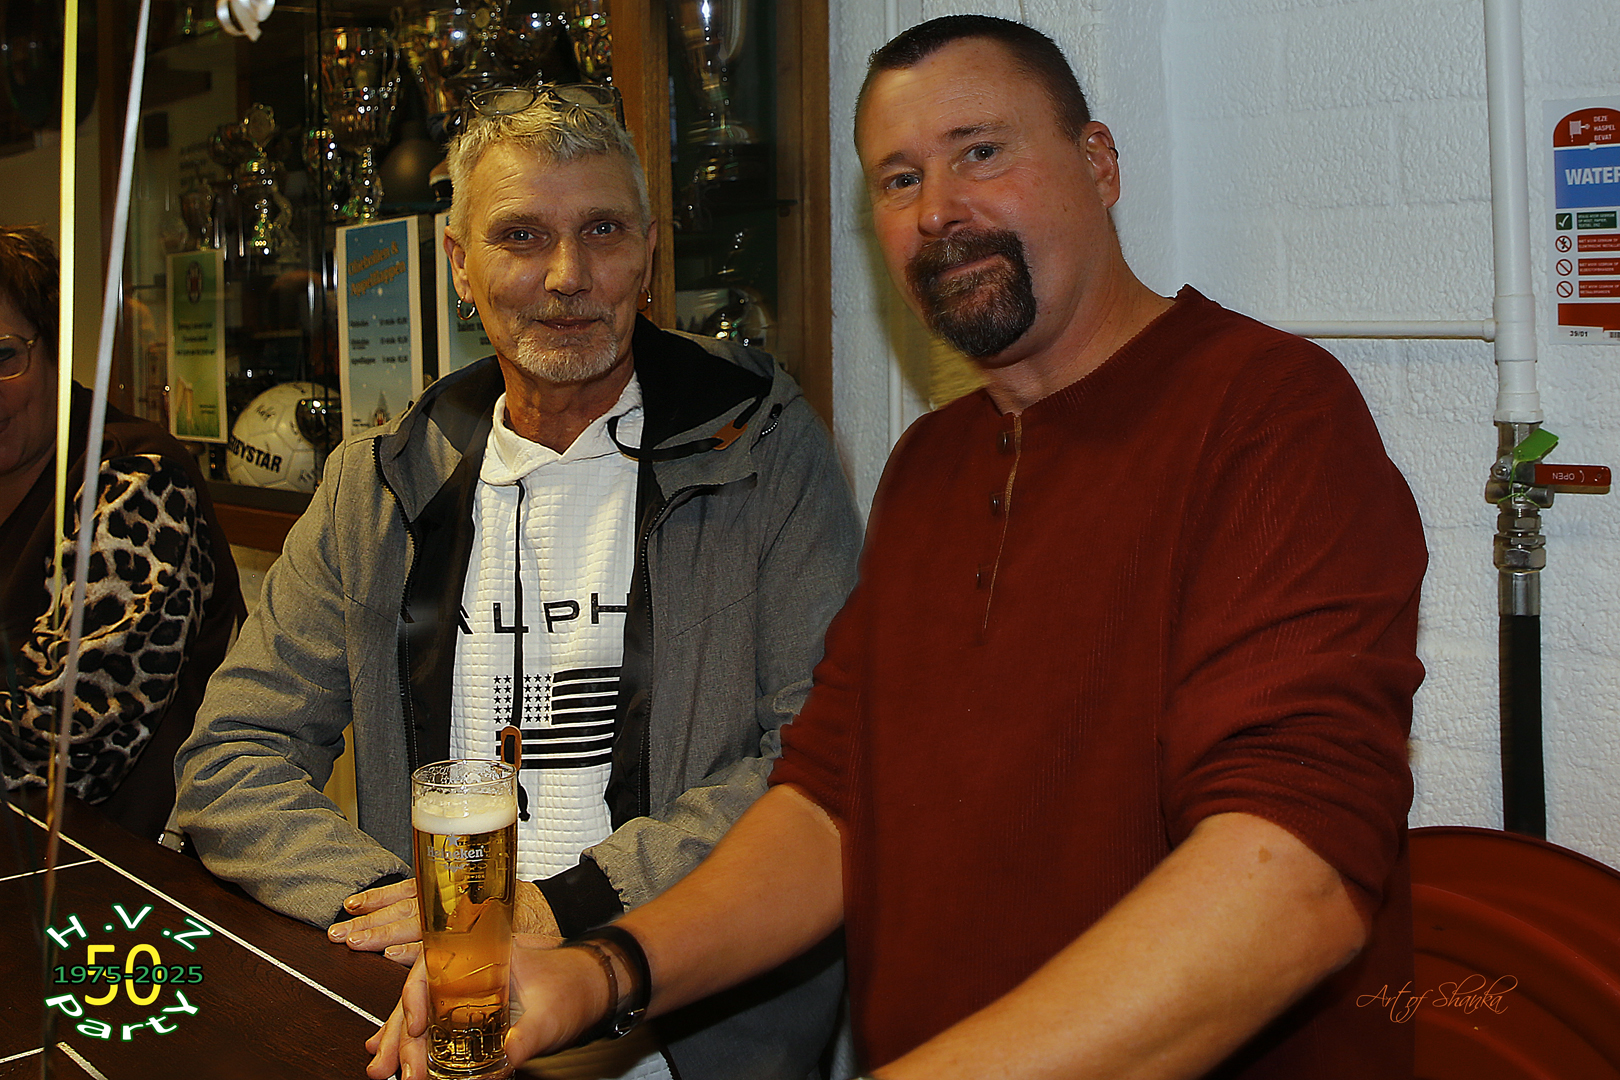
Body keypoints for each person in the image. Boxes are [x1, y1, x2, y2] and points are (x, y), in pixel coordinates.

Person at [370, 15, 1429, 1080]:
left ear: (1099, 164)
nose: (939, 211)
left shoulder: (1270, 417)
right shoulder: (931, 465)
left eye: (982, 152)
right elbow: (831, 808)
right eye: (899, 179)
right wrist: (601, 974)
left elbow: (1295, 877)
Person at [174, 84, 861, 1080]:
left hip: (682, 1030)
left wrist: (563, 907)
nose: (567, 276)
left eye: (603, 231)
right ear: (459, 262)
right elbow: (234, 752)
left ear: (650, 250)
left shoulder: (763, 448)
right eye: (522, 236)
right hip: (431, 1023)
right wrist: (423, 917)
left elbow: (819, 758)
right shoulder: (380, 480)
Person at [0, 225, 245, 840]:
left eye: (3, 356)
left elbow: (63, 745)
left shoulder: (135, 481)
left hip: (126, 876)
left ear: (56, 350)